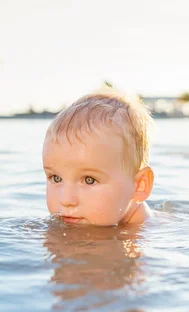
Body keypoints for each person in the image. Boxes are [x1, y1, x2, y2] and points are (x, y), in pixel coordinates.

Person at [42, 88, 155, 226]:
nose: (65, 200)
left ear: (139, 186)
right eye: (56, 178)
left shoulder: (144, 236)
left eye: (89, 180)